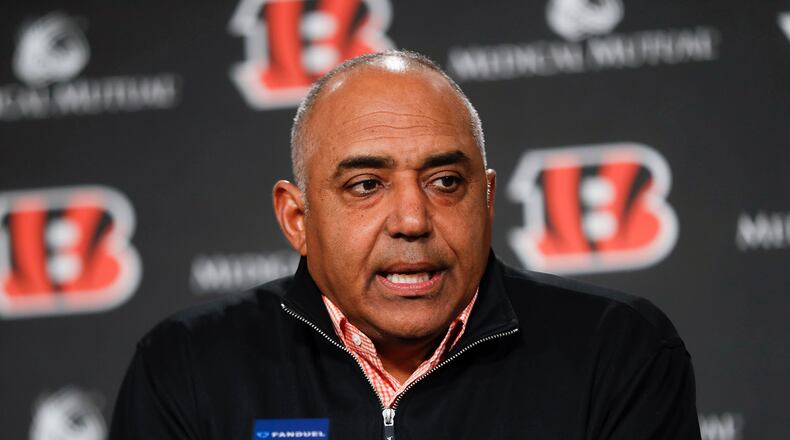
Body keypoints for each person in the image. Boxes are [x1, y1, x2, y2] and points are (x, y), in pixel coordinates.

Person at [110, 50, 701, 439]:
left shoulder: (617, 350)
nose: (413, 220)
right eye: (366, 186)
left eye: (445, 182)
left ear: (486, 200)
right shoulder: (187, 366)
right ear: (297, 218)